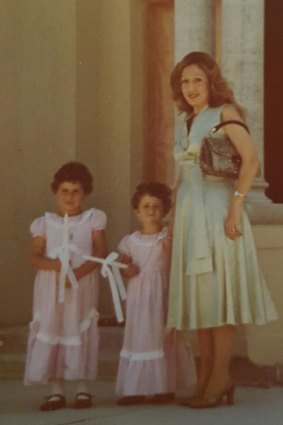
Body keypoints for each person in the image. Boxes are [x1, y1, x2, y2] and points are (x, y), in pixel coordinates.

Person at [167, 51, 278, 408]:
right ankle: (204, 379)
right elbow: (183, 174)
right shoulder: (188, 120)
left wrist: (236, 206)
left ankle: (221, 376)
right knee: (200, 299)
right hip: (188, 214)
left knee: (218, 295)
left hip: (217, 214)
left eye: (198, 79)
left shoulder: (225, 112)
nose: (191, 87)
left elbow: (251, 159)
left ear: (211, 81)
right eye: (185, 81)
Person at [24, 162, 108, 410]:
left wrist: (76, 275)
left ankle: (83, 389)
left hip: (81, 286)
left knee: (78, 329)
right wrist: (57, 268)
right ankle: (56, 391)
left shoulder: (92, 219)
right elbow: (34, 256)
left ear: (84, 193)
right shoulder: (44, 223)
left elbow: (100, 251)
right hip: (51, 288)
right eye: (65, 191)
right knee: (55, 329)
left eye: (76, 191)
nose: (70, 196)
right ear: (55, 193)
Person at [116, 182, 196, 406]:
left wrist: (171, 249)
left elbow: (174, 265)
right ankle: (136, 389)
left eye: (157, 207)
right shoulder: (130, 241)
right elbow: (124, 267)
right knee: (141, 337)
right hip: (139, 298)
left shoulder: (166, 238)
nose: (151, 211)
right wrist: (127, 269)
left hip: (161, 294)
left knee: (163, 337)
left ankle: (164, 387)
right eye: (146, 206)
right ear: (137, 211)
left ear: (165, 211)